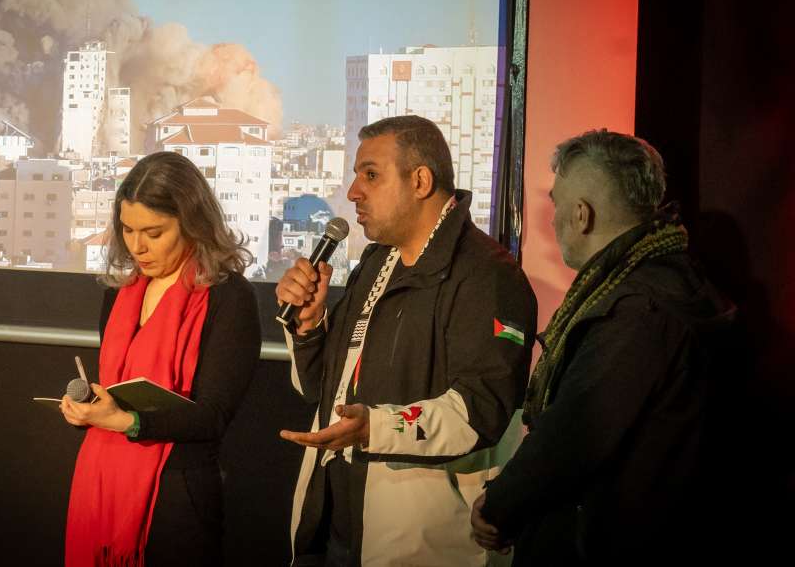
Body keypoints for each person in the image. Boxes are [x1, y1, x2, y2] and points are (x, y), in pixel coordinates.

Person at [276, 115, 538, 566]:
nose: (353, 192)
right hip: (332, 518)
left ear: (420, 181)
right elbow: (323, 391)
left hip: (414, 542)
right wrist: (310, 326)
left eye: (370, 175)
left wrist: (375, 428)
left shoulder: (488, 275)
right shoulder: (377, 262)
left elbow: (481, 408)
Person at [470, 130, 735, 565]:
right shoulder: (673, 280)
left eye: (556, 205)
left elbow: (573, 435)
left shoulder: (636, 310)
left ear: (581, 215)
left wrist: (499, 505)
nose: (552, 221)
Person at [60, 151, 261, 567]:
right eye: (128, 229)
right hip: (101, 484)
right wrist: (90, 410)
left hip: (178, 496)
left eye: (154, 232)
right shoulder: (119, 292)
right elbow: (115, 390)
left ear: (192, 224)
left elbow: (213, 417)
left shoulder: (229, 297)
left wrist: (128, 421)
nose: (137, 246)